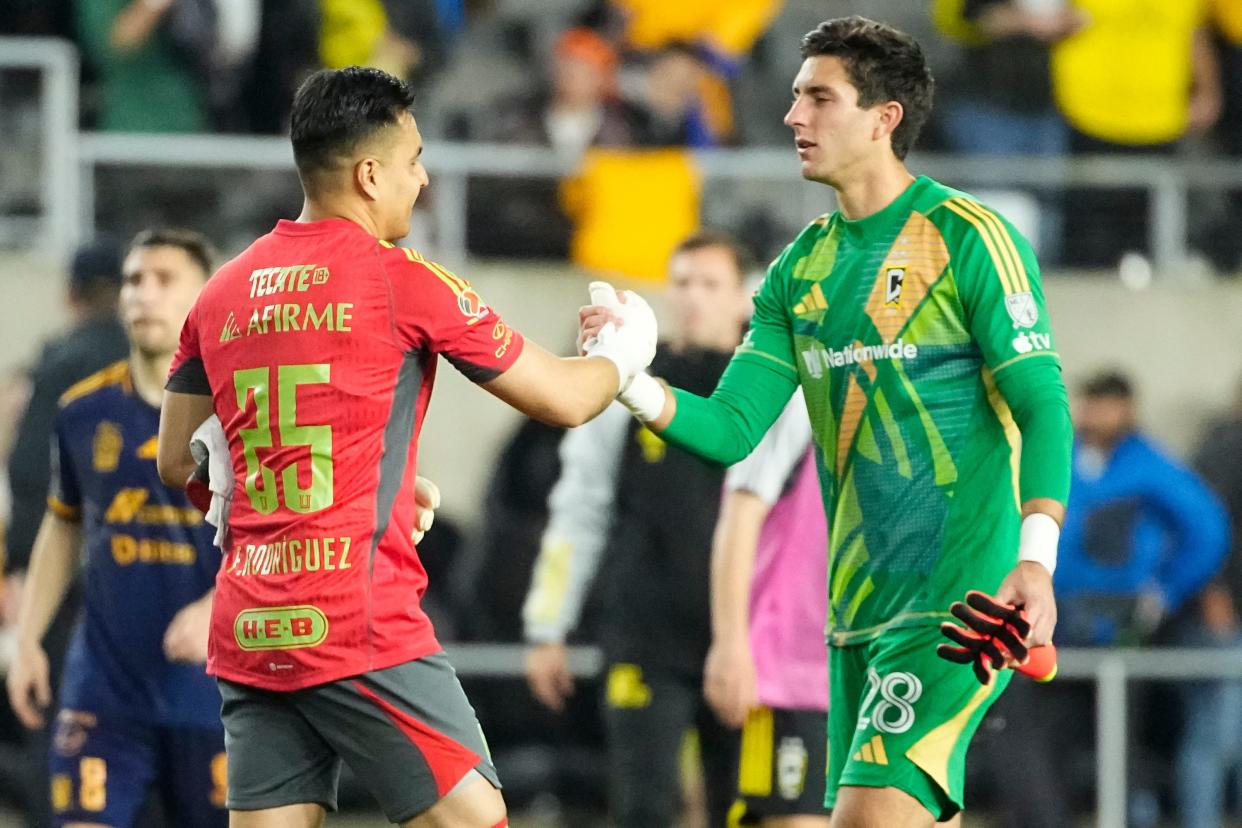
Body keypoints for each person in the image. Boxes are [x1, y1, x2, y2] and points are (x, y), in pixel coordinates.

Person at [578, 16, 1073, 827]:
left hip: (956, 604)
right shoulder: (798, 270)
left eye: (819, 97)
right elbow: (734, 428)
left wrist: (1037, 559)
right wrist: (633, 381)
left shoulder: (968, 238)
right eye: (795, 96)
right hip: (850, 620)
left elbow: (1042, 403)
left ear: (883, 118)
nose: (792, 117)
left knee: (863, 819)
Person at [156, 66, 658, 828]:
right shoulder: (402, 280)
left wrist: (355, 481)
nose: (422, 181)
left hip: (252, 624)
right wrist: (625, 354)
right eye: (413, 160)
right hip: (355, 618)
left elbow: (178, 462)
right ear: (368, 174)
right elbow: (565, 398)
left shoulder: (220, 292)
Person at [521, 230, 752, 828]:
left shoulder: (769, 389)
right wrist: (548, 624)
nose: (694, 297)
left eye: (710, 284)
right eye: (683, 283)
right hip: (644, 635)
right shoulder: (627, 382)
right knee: (643, 809)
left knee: (745, 813)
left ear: (742, 298)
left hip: (750, 641)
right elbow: (580, 505)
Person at [5, 228, 225, 828]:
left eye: (163, 280)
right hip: (103, 689)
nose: (142, 294)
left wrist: (217, 605)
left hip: (211, 696)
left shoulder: (240, 414)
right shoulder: (82, 410)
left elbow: (283, 534)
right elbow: (62, 524)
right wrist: (28, 642)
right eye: (132, 280)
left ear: (205, 299)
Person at [5, 236, 128, 828]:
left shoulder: (57, 362)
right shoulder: (156, 356)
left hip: (64, 571)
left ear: (70, 293)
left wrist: (18, 571)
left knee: (54, 711)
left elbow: (31, 476)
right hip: (143, 567)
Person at [703, 390, 831, 827]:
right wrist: (731, 644)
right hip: (790, 674)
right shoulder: (798, 394)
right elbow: (740, 511)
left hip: (878, 667)